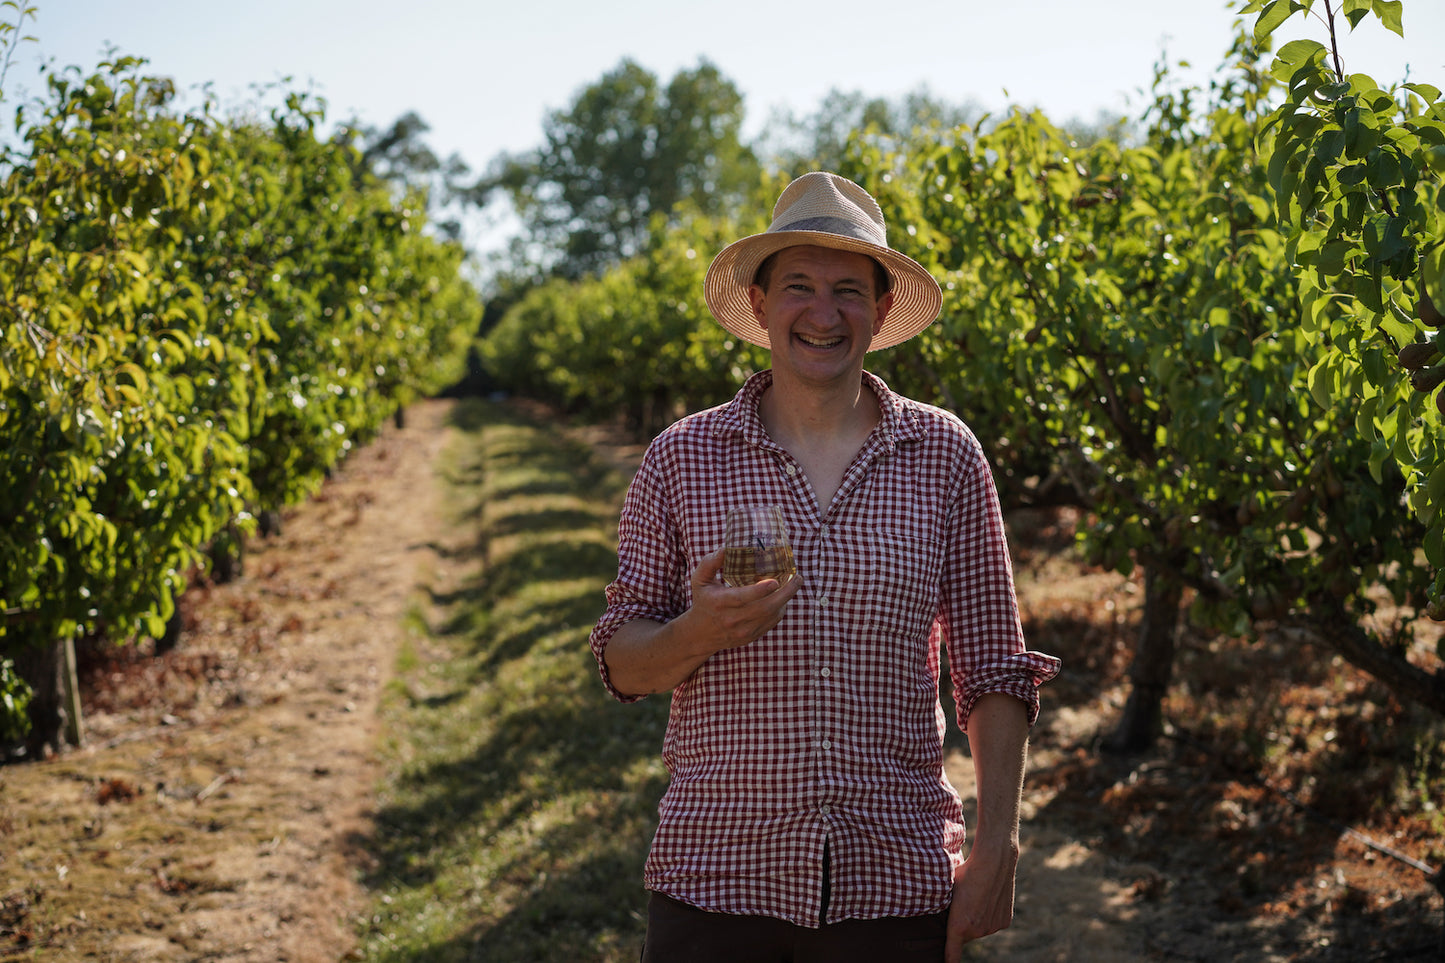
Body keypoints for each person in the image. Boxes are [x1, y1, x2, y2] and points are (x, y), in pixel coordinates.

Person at [589, 171, 1061, 963]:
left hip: (892, 880)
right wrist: (698, 630)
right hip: (718, 877)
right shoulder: (683, 457)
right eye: (799, 286)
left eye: (848, 290)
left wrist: (996, 848)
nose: (822, 311)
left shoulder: (944, 455)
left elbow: (992, 667)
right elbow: (621, 663)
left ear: (878, 313)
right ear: (759, 304)